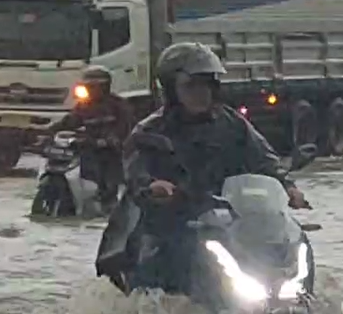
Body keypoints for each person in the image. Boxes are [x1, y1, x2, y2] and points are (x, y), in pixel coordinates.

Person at [115, 42, 307, 292]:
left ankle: (296, 296)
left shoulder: (232, 123)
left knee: (292, 243)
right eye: (191, 86)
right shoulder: (149, 131)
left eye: (206, 86)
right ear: (172, 90)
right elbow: (134, 170)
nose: (200, 94)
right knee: (159, 262)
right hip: (174, 220)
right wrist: (153, 185)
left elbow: (264, 159)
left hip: (229, 218)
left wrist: (288, 187)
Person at [47, 65, 134, 210]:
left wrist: (111, 140)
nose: (90, 91)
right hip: (89, 148)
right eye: (88, 87)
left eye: (93, 87)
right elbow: (69, 122)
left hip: (112, 153)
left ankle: (107, 203)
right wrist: (46, 132)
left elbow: (126, 129)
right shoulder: (84, 106)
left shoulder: (118, 106)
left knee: (109, 181)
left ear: (104, 87)